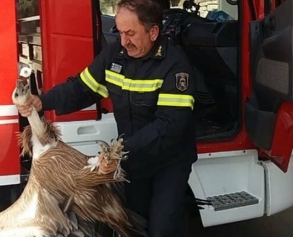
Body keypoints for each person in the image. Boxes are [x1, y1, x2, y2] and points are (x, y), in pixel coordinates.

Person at [15, 0, 198, 236]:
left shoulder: (175, 65)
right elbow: (82, 87)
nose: (123, 41)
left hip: (169, 162)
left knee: (161, 229)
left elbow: (169, 127)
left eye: (130, 33)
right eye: (120, 33)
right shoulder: (115, 54)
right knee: (132, 224)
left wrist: (119, 152)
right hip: (134, 160)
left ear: (153, 32)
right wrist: (42, 101)